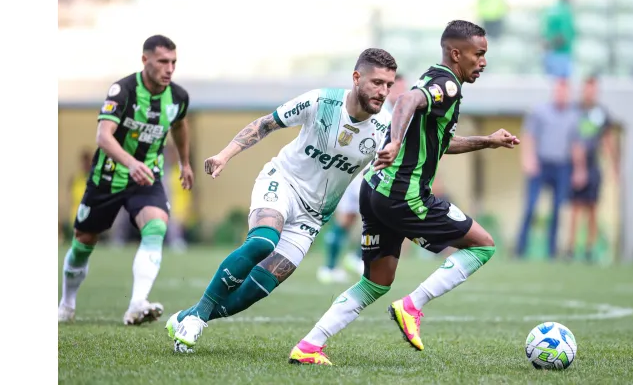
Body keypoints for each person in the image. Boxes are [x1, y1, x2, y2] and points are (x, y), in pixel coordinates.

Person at [288, 20, 520, 365]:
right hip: (404, 195)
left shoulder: (434, 78)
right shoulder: (448, 86)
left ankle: (308, 346)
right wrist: (395, 141)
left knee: (376, 282)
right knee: (483, 245)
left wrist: (487, 141)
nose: (483, 61)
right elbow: (404, 102)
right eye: (479, 54)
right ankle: (413, 305)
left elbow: (439, 142)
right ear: (457, 54)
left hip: (375, 189)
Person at [165, 48, 397, 353]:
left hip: (313, 216)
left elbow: (429, 146)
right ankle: (196, 321)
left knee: (256, 290)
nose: (383, 91)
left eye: (388, 85)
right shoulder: (320, 101)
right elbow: (265, 124)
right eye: (377, 82)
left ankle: (189, 316)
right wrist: (224, 155)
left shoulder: (386, 128)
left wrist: (479, 143)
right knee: (263, 242)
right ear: (356, 78)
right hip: (282, 182)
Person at [58, 35, 194, 325]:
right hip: (108, 176)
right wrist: (130, 162)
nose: (169, 69)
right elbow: (103, 136)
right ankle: (67, 304)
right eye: (162, 62)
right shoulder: (123, 91)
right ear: (145, 60)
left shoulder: (178, 97)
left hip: (147, 177)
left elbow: (180, 125)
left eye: (173, 62)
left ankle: (136, 304)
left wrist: (184, 162)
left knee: (156, 225)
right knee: (84, 241)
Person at [317, 74, 409, 284]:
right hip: (367, 172)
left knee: (347, 219)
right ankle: (357, 258)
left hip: (354, 171)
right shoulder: (384, 113)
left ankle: (330, 267)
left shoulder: (386, 110)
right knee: (380, 217)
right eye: (397, 88)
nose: (400, 93)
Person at [515, 79, 586, 260]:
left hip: (562, 166)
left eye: (565, 92)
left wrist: (579, 169)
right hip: (541, 165)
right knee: (530, 206)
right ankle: (520, 249)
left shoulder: (574, 115)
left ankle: (552, 252)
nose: (561, 95)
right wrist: (528, 159)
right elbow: (529, 136)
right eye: (559, 91)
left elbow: (576, 144)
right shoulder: (540, 111)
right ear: (554, 92)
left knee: (557, 209)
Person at [565, 75, 619, 262]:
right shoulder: (574, 111)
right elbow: (574, 141)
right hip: (575, 165)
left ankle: (589, 248)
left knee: (593, 208)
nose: (590, 92)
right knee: (575, 207)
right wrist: (578, 169)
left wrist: (614, 166)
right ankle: (570, 248)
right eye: (588, 88)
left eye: (593, 89)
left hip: (594, 165)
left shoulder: (601, 113)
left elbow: (607, 139)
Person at [542, 0, 577, 78]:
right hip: (559, 54)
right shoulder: (560, 10)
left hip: (561, 53)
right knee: (559, 86)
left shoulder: (562, 9)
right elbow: (560, 35)